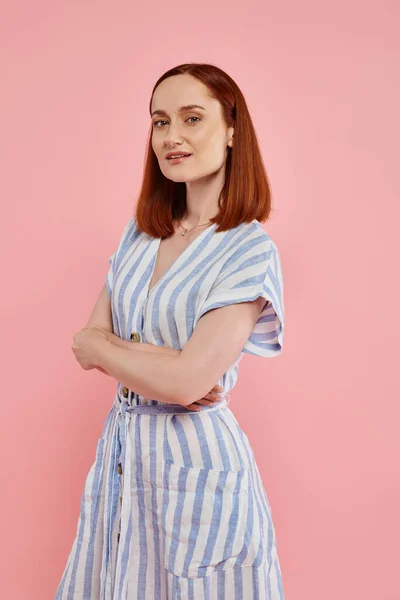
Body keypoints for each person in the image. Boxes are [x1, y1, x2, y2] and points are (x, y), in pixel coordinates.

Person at [55, 62, 285, 600]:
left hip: (200, 469)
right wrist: (162, 361)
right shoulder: (140, 234)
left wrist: (120, 353)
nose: (171, 137)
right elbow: (85, 341)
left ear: (232, 130)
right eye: (160, 121)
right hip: (121, 458)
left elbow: (183, 383)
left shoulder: (248, 250)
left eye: (192, 118)